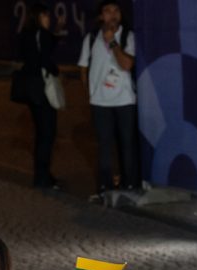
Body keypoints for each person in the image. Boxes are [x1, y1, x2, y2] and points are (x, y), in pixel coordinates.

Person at [78, 1, 139, 197]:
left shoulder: (129, 36)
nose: (112, 14)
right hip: (100, 102)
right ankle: (105, 186)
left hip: (125, 101)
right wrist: (91, 90)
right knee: (104, 145)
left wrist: (113, 42)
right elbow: (83, 67)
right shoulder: (91, 38)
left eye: (115, 10)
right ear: (100, 16)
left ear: (120, 15)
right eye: (107, 11)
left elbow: (127, 64)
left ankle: (130, 184)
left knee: (127, 144)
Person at [12, 3, 62, 190]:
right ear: (39, 17)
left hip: (30, 89)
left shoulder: (26, 34)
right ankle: (42, 178)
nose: (49, 19)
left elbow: (32, 54)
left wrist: (54, 33)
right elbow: (45, 59)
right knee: (47, 134)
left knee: (41, 133)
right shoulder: (42, 34)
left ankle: (42, 174)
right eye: (46, 16)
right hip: (41, 88)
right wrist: (56, 70)